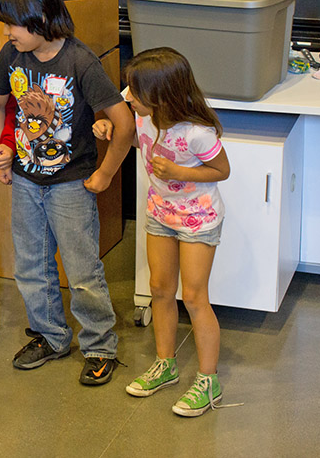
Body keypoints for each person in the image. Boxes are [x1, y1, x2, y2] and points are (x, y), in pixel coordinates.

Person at [0, 0, 134, 385]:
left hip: (71, 184)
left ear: (39, 19)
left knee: (82, 270)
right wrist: (5, 146)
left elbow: (124, 124)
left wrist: (105, 173)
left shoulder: (80, 61)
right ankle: (51, 336)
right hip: (26, 181)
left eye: (12, 23)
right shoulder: (11, 54)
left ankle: (100, 346)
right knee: (31, 265)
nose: (7, 32)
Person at [94, 47, 232, 416]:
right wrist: (108, 126)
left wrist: (180, 172)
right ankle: (166, 364)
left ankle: (208, 380)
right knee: (159, 289)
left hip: (198, 219)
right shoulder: (138, 106)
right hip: (160, 212)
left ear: (162, 95)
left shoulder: (197, 133)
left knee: (194, 296)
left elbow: (222, 171)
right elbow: (126, 125)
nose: (129, 98)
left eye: (135, 94)